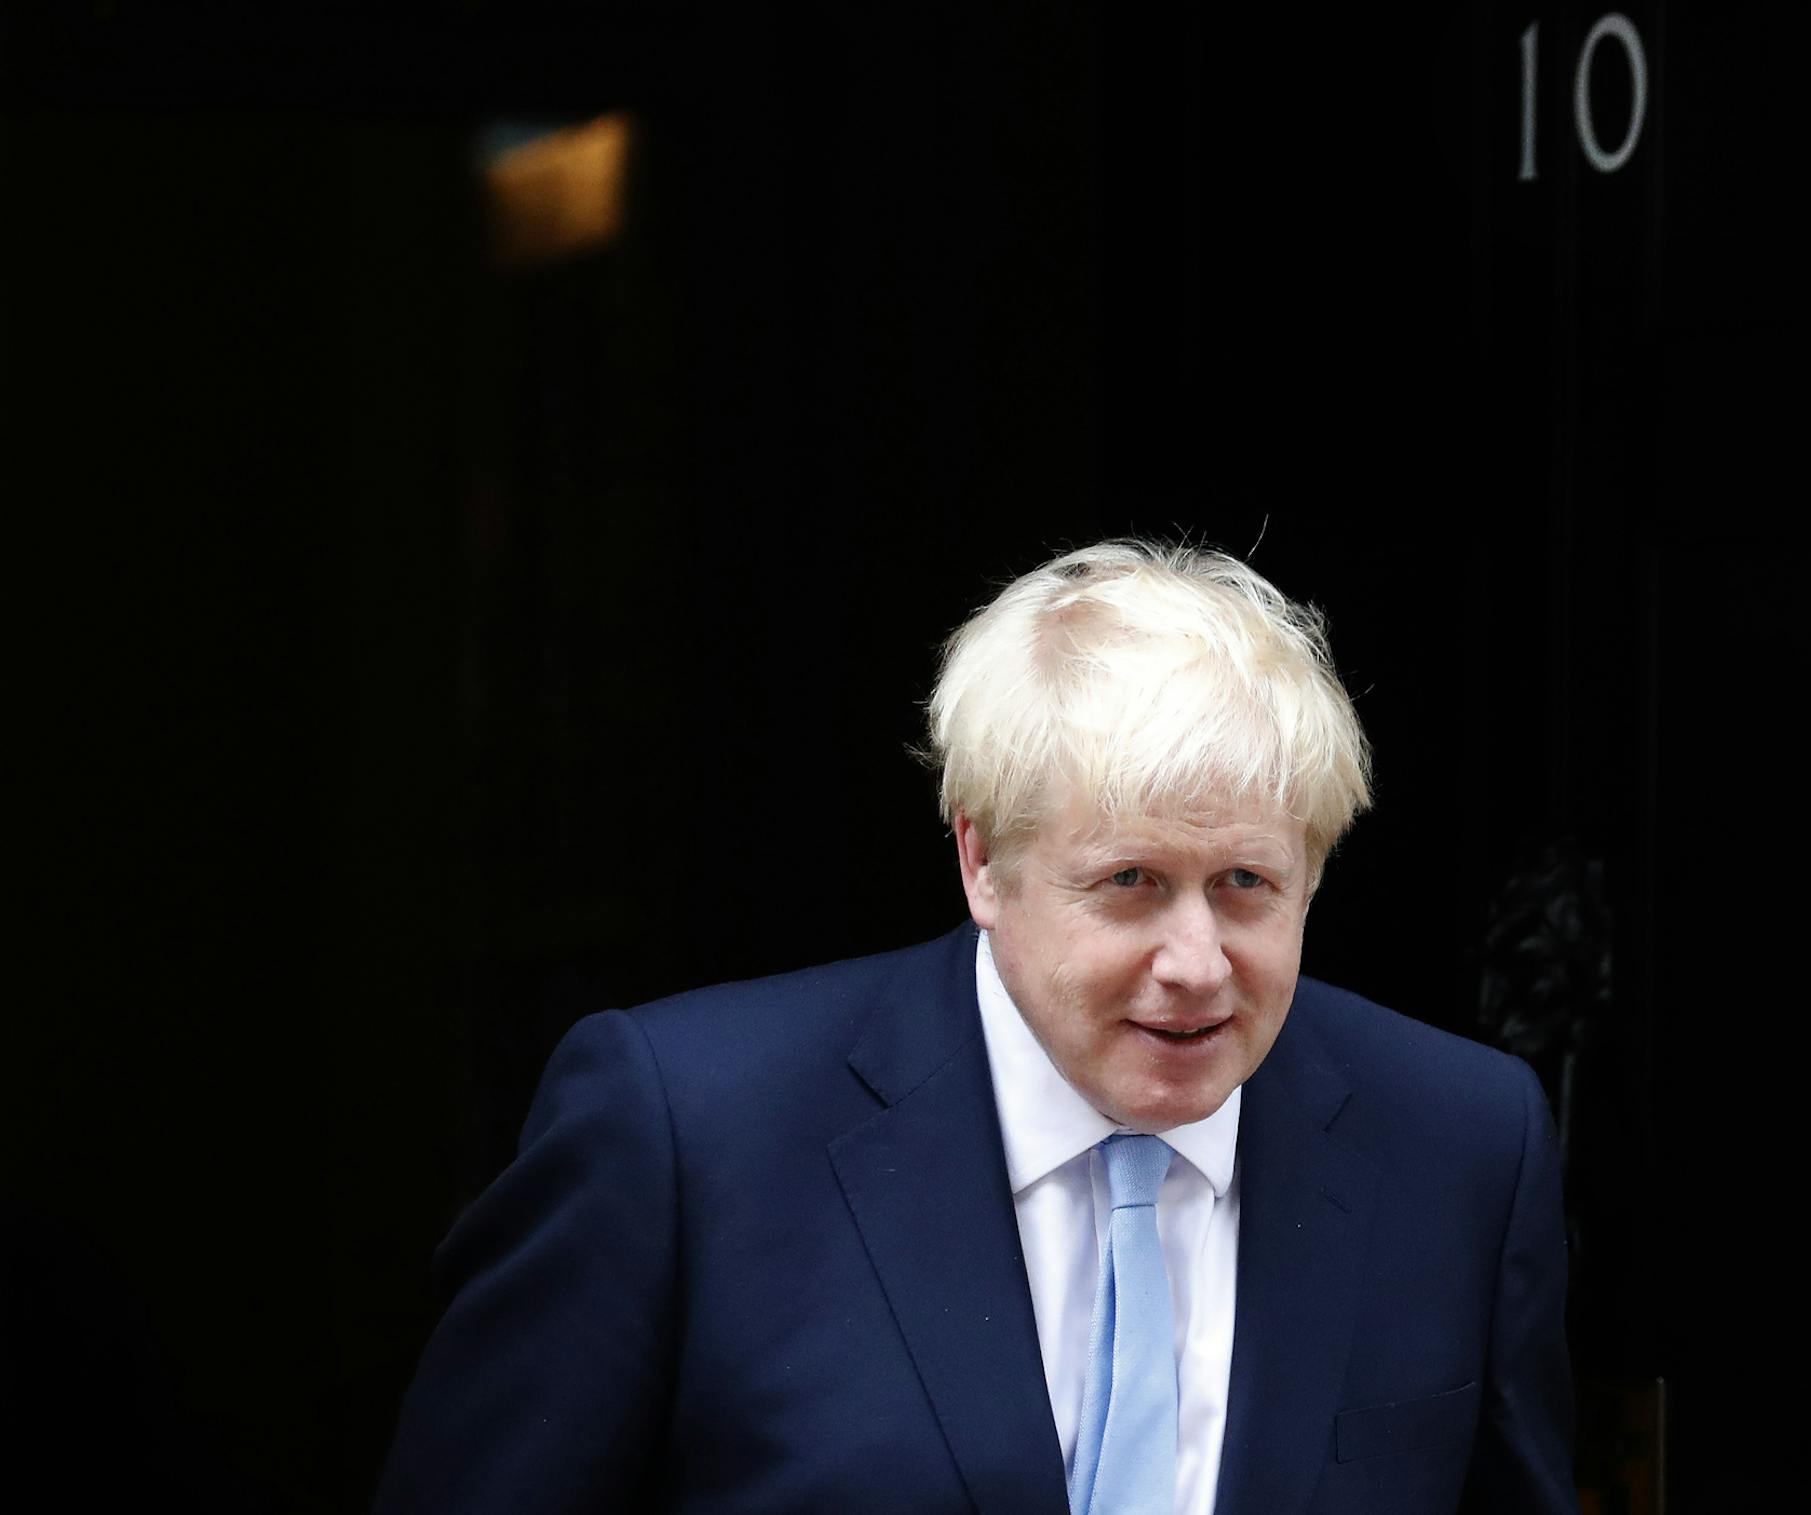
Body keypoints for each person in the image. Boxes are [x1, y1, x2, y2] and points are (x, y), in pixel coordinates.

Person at [373, 540, 1575, 1514]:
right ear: (983, 860)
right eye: (1131, 884)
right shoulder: (688, 1133)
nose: (1198, 965)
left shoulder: (1460, 1144)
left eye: (1247, 886)